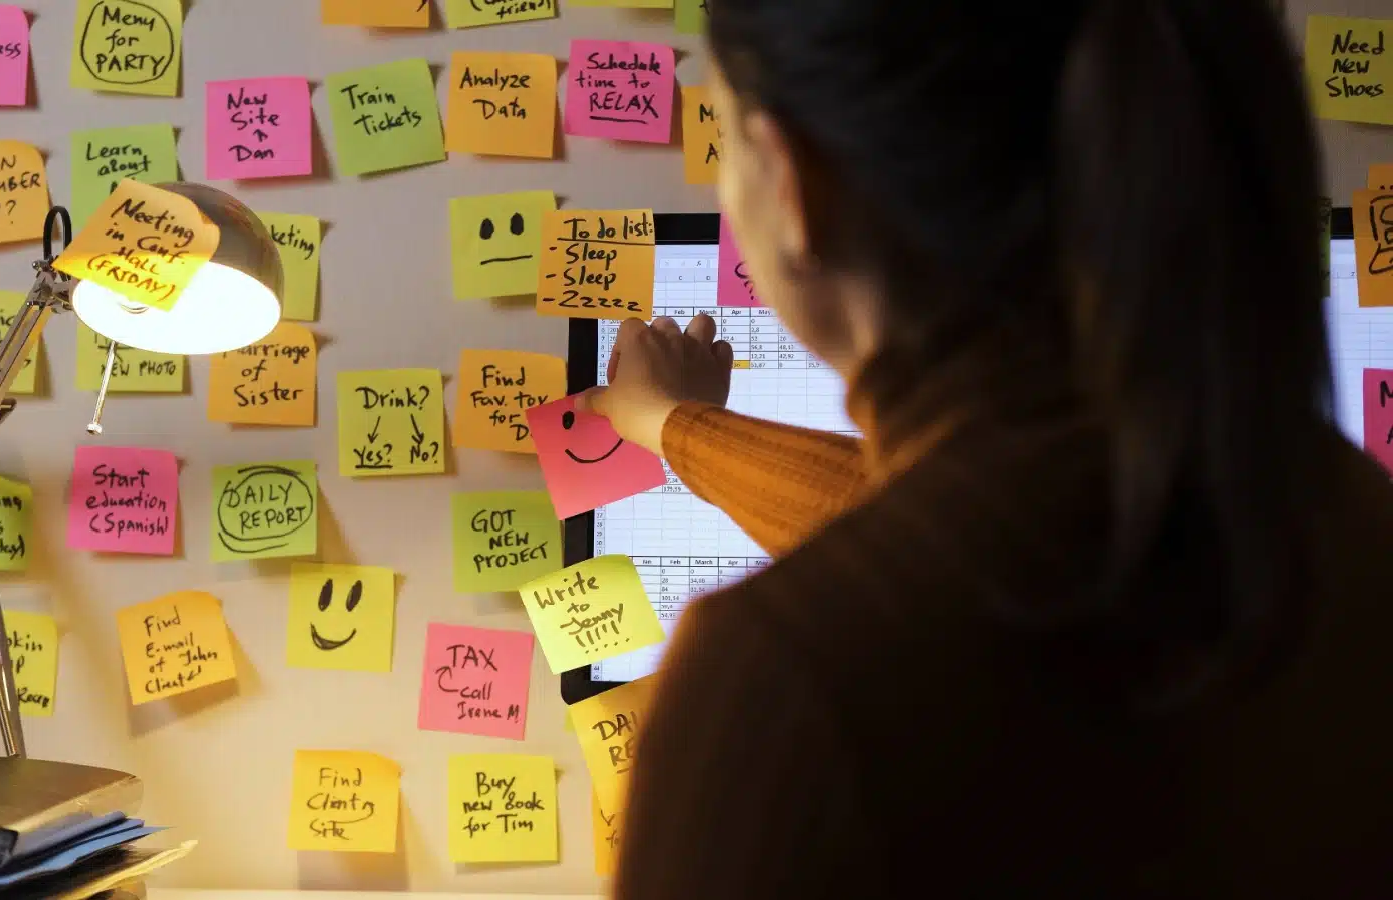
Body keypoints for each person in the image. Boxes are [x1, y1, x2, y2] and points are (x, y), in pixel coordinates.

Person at [587, 1, 1393, 896]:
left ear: (791, 180)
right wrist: (676, 425)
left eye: (723, 142)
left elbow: (960, 556)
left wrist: (676, 426)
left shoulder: (786, 681)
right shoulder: (1346, 519)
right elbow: (969, 527)